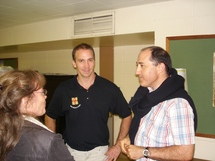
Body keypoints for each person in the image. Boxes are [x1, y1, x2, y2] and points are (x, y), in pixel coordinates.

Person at [45, 43, 132, 161]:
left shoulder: (109, 88)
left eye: (90, 60)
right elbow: (50, 116)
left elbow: (127, 115)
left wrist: (117, 146)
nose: (86, 65)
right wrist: (52, 145)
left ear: (94, 61)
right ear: (74, 63)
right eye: (81, 61)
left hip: (100, 152)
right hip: (72, 151)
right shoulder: (64, 89)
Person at [120, 46, 197, 161]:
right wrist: (130, 137)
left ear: (160, 67)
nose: (137, 72)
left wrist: (143, 152)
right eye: (137, 65)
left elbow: (185, 153)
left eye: (142, 66)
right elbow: (146, 132)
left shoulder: (177, 104)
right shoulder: (147, 96)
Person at [0, 70, 75, 161]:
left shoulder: (6, 128)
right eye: (42, 92)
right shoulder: (49, 141)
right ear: (24, 99)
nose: (45, 96)